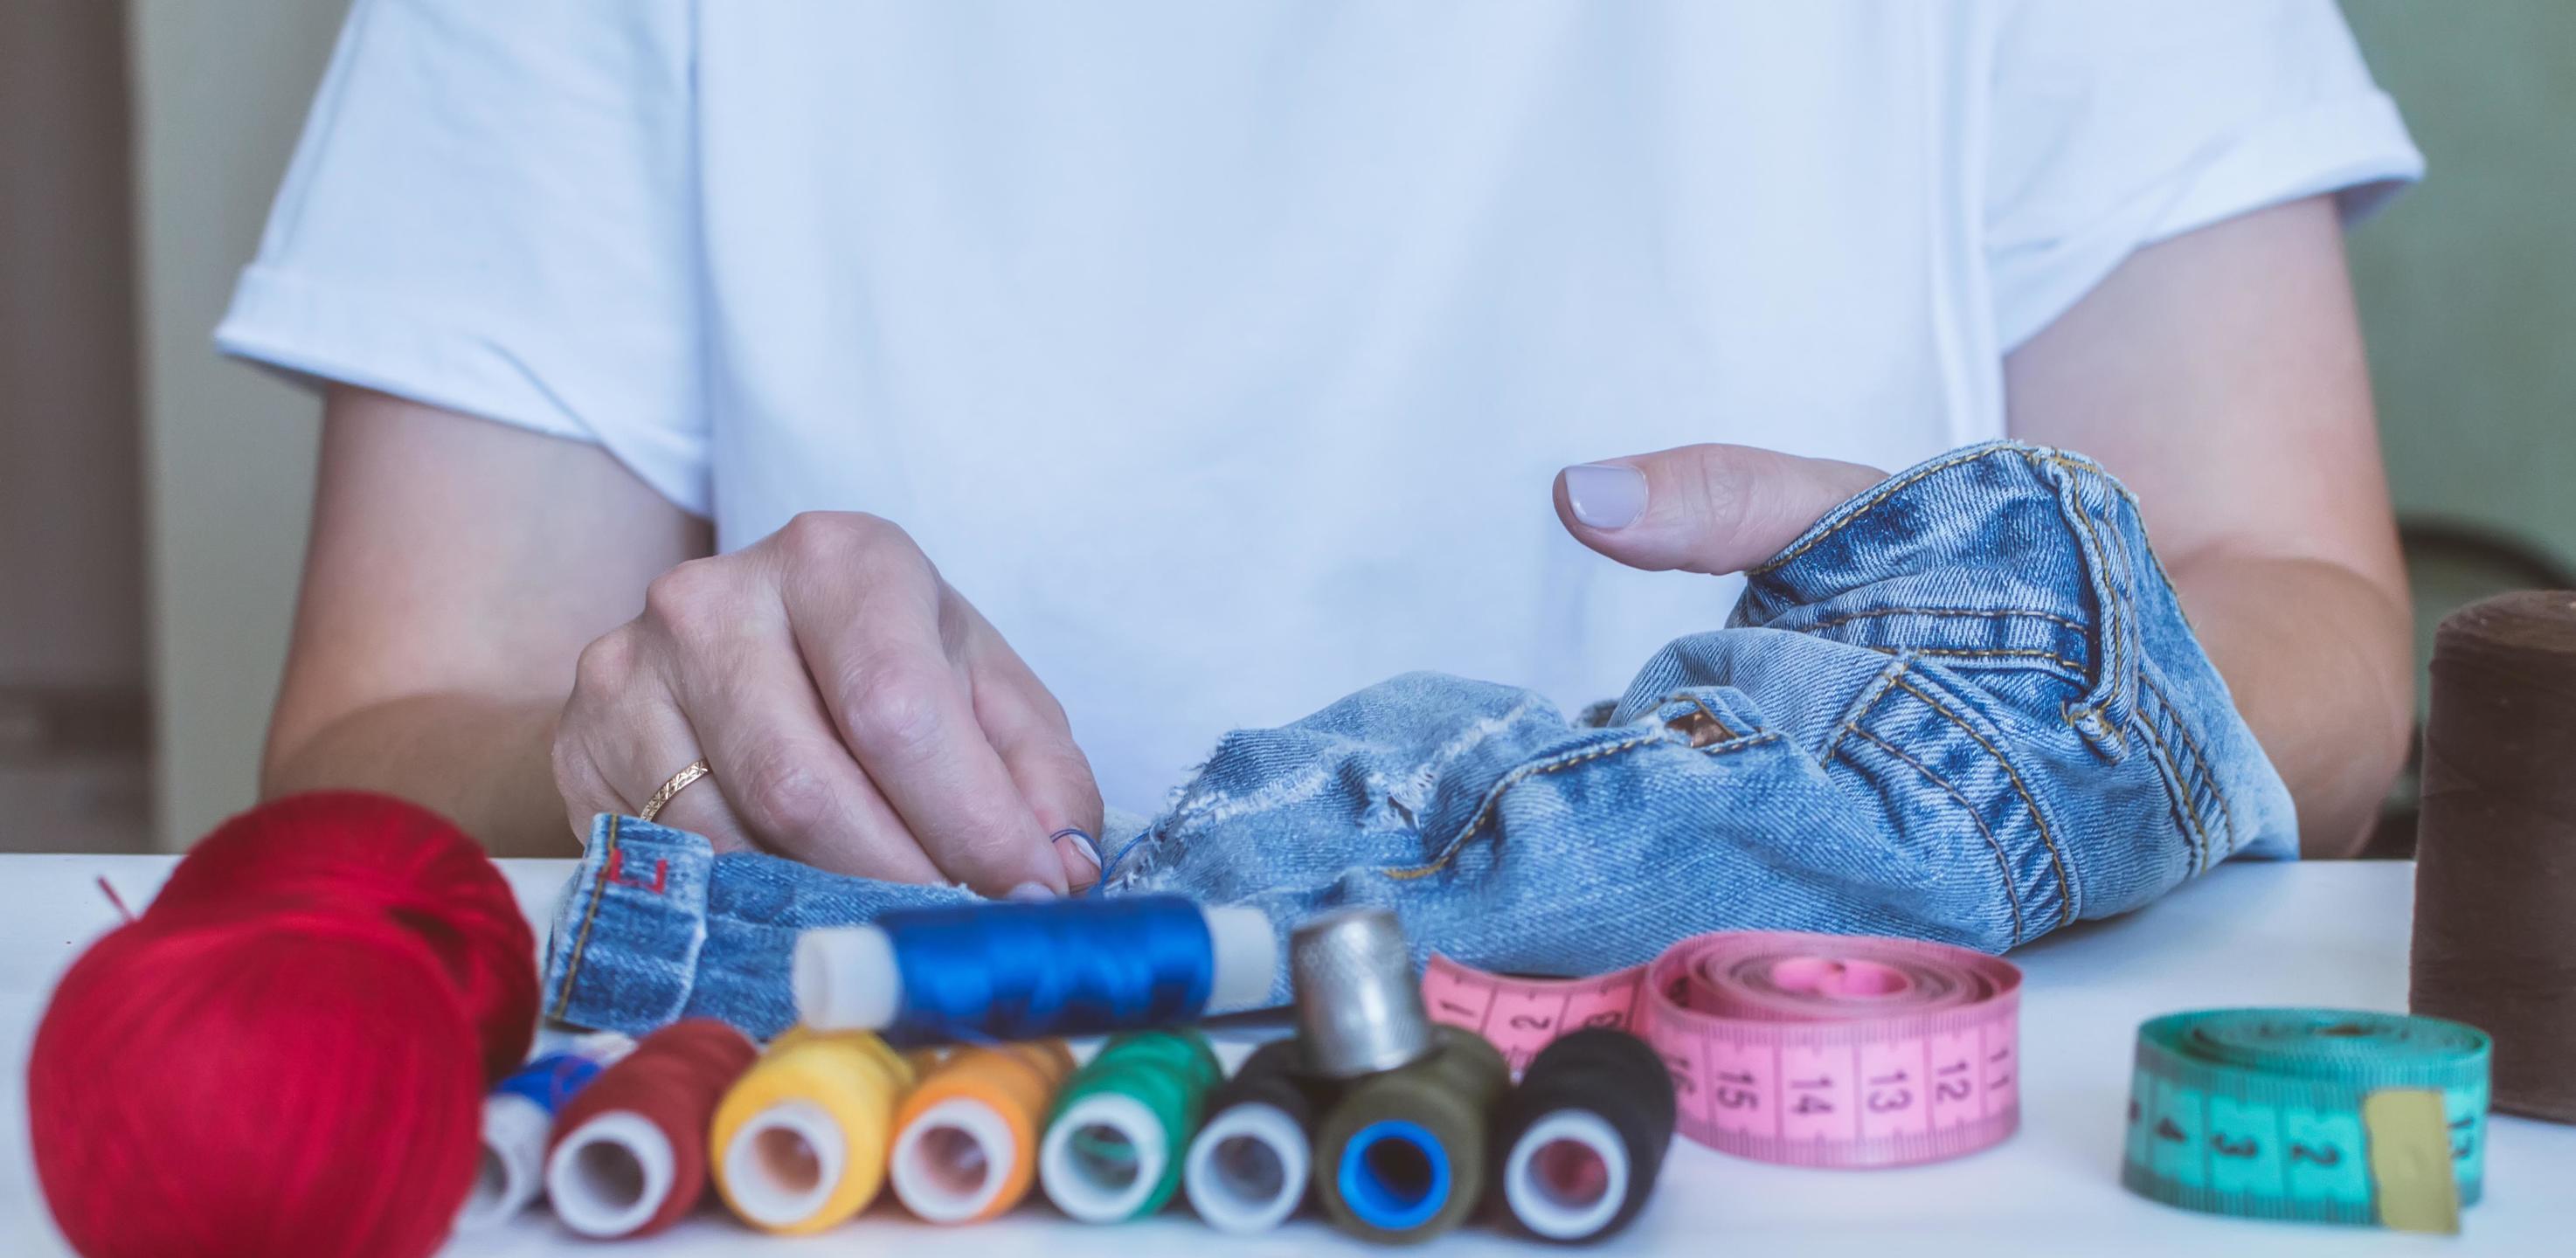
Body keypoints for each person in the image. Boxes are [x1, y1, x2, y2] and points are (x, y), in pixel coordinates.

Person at [225, 0, 2421, 895]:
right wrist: (636, 761)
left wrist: (2009, 721)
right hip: (930, 1238)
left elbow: (2306, 614)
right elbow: (383, 737)